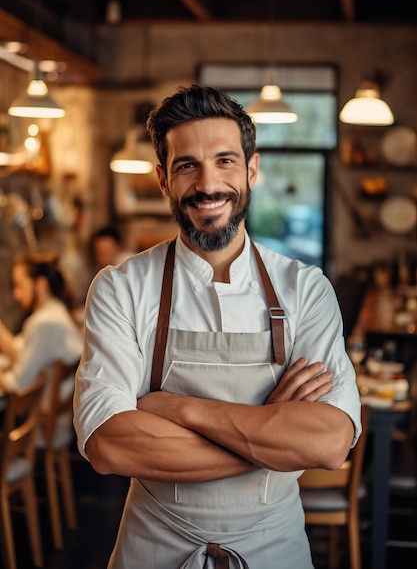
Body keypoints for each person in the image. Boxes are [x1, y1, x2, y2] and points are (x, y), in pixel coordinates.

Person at [73, 85, 362, 569]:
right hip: (153, 547)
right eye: (187, 165)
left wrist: (178, 409)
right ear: (164, 179)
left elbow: (329, 442)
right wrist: (272, 436)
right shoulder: (120, 288)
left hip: (275, 549)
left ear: (251, 170)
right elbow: (108, 443)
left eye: (225, 161)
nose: (209, 185)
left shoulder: (306, 290)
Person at [0, 251, 82, 399]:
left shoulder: (43, 323)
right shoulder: (56, 308)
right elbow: (21, 348)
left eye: (20, 286)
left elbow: (17, 384)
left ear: (41, 284)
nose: (16, 294)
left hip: (43, 413)